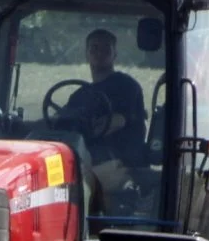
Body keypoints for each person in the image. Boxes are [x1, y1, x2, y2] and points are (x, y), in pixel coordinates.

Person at [60, 27, 149, 206]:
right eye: (94, 48)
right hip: (88, 159)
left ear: (114, 54)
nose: (99, 53)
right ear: (86, 54)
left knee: (73, 183)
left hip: (119, 162)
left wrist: (86, 128)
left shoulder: (126, 86)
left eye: (106, 49)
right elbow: (58, 121)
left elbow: (117, 121)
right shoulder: (79, 96)